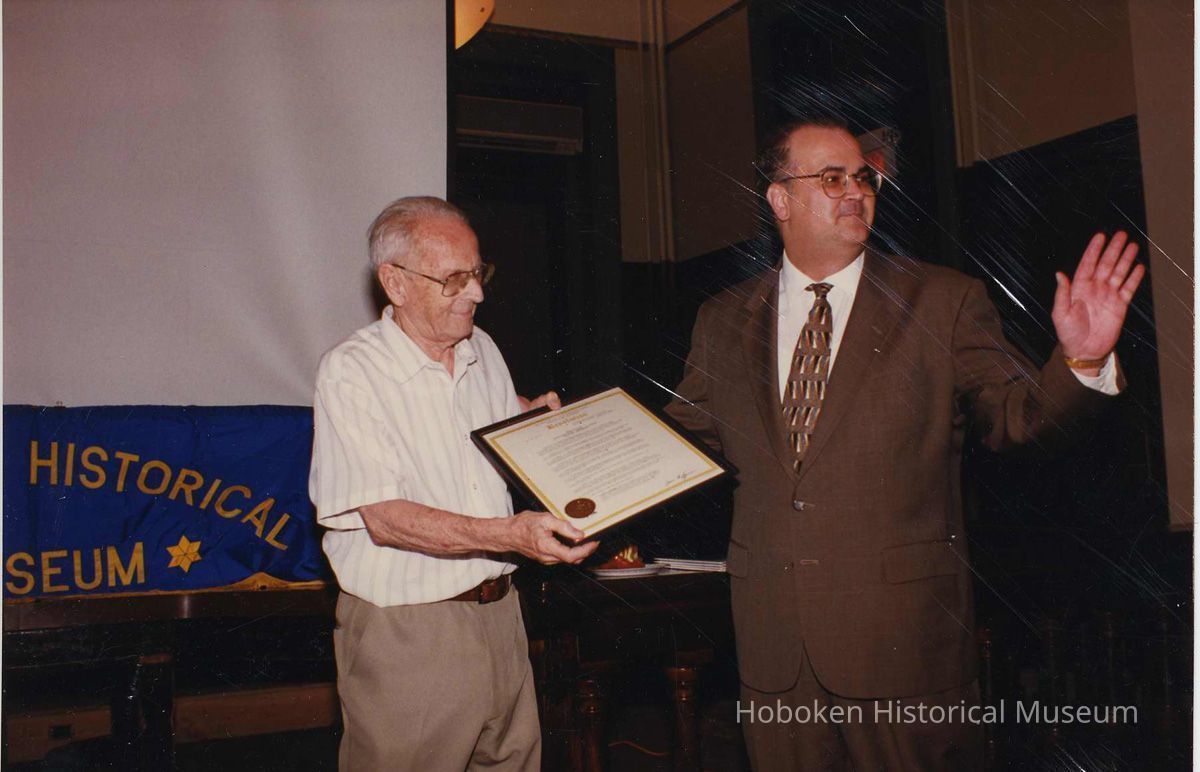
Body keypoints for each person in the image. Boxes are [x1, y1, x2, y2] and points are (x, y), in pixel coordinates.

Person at [665, 118, 1144, 771]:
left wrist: (1081, 362)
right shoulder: (722, 318)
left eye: (864, 177)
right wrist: (562, 443)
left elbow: (1019, 418)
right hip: (776, 655)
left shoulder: (942, 301)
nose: (855, 191)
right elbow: (678, 440)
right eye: (831, 178)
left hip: (905, 655)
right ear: (779, 199)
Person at [309, 196, 597, 771]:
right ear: (395, 282)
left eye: (479, 273)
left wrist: (540, 424)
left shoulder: (481, 350)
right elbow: (385, 518)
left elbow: (487, 430)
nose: (478, 293)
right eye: (455, 279)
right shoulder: (352, 371)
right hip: (411, 633)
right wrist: (511, 535)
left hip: (502, 619)